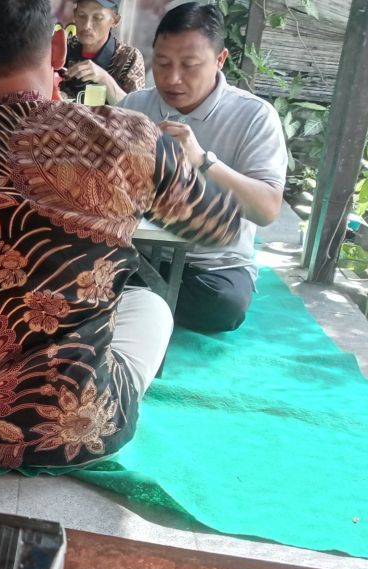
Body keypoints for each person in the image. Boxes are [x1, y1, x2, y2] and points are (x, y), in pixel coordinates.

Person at [0, 0, 242, 469]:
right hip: (83, 430)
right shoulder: (133, 138)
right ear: (59, 48)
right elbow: (222, 226)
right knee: (152, 307)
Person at [121, 2, 287, 333]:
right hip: (139, 252)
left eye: (189, 65)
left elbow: (267, 209)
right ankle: (144, 296)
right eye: (162, 63)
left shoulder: (255, 116)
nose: (173, 78)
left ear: (220, 59)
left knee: (224, 305)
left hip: (210, 266)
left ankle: (137, 298)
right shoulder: (134, 106)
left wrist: (202, 160)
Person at [60, 0, 145, 104]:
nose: (87, 26)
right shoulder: (63, 47)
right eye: (81, 15)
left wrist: (104, 78)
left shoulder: (129, 57)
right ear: (74, 14)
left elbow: (136, 110)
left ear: (115, 20)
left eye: (97, 18)